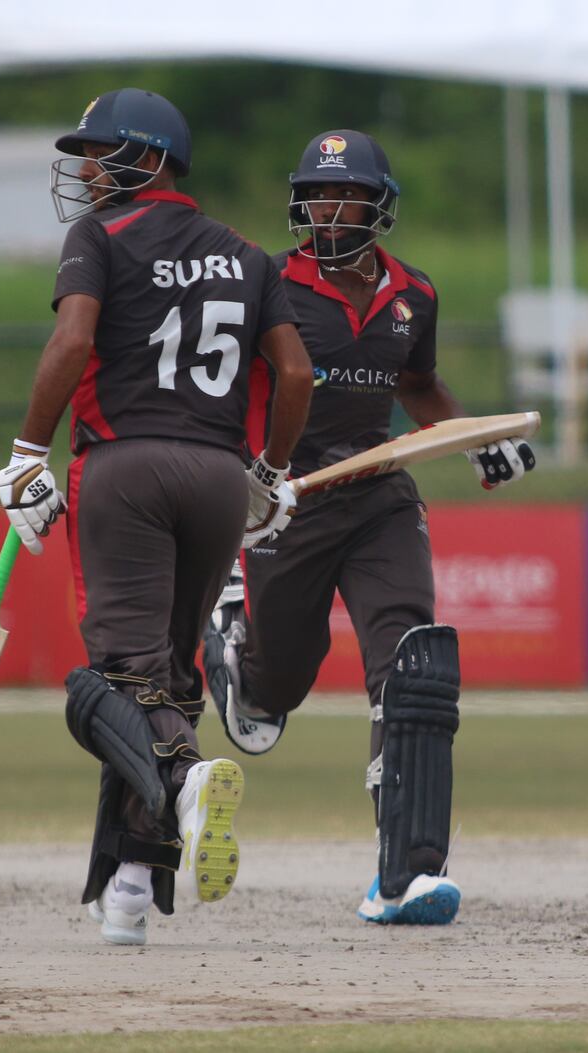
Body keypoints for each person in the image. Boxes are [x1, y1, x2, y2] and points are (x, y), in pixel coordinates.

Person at [0, 88, 313, 946]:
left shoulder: (98, 236)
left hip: (124, 466)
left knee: (107, 686)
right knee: (165, 681)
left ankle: (181, 786)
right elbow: (294, 376)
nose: (87, 170)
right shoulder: (248, 254)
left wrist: (28, 453)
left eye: (101, 152)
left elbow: (70, 344)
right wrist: (269, 474)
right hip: (215, 476)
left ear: (152, 156)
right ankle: (130, 886)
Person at [204, 128, 536, 926]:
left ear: (378, 206)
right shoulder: (269, 284)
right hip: (287, 501)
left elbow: (418, 385)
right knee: (275, 692)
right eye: (314, 194)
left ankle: (409, 872)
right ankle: (231, 640)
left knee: (412, 661)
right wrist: (239, 485)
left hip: (381, 494)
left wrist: (485, 440)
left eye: (342, 194)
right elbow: (215, 391)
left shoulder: (413, 294)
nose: (325, 209)